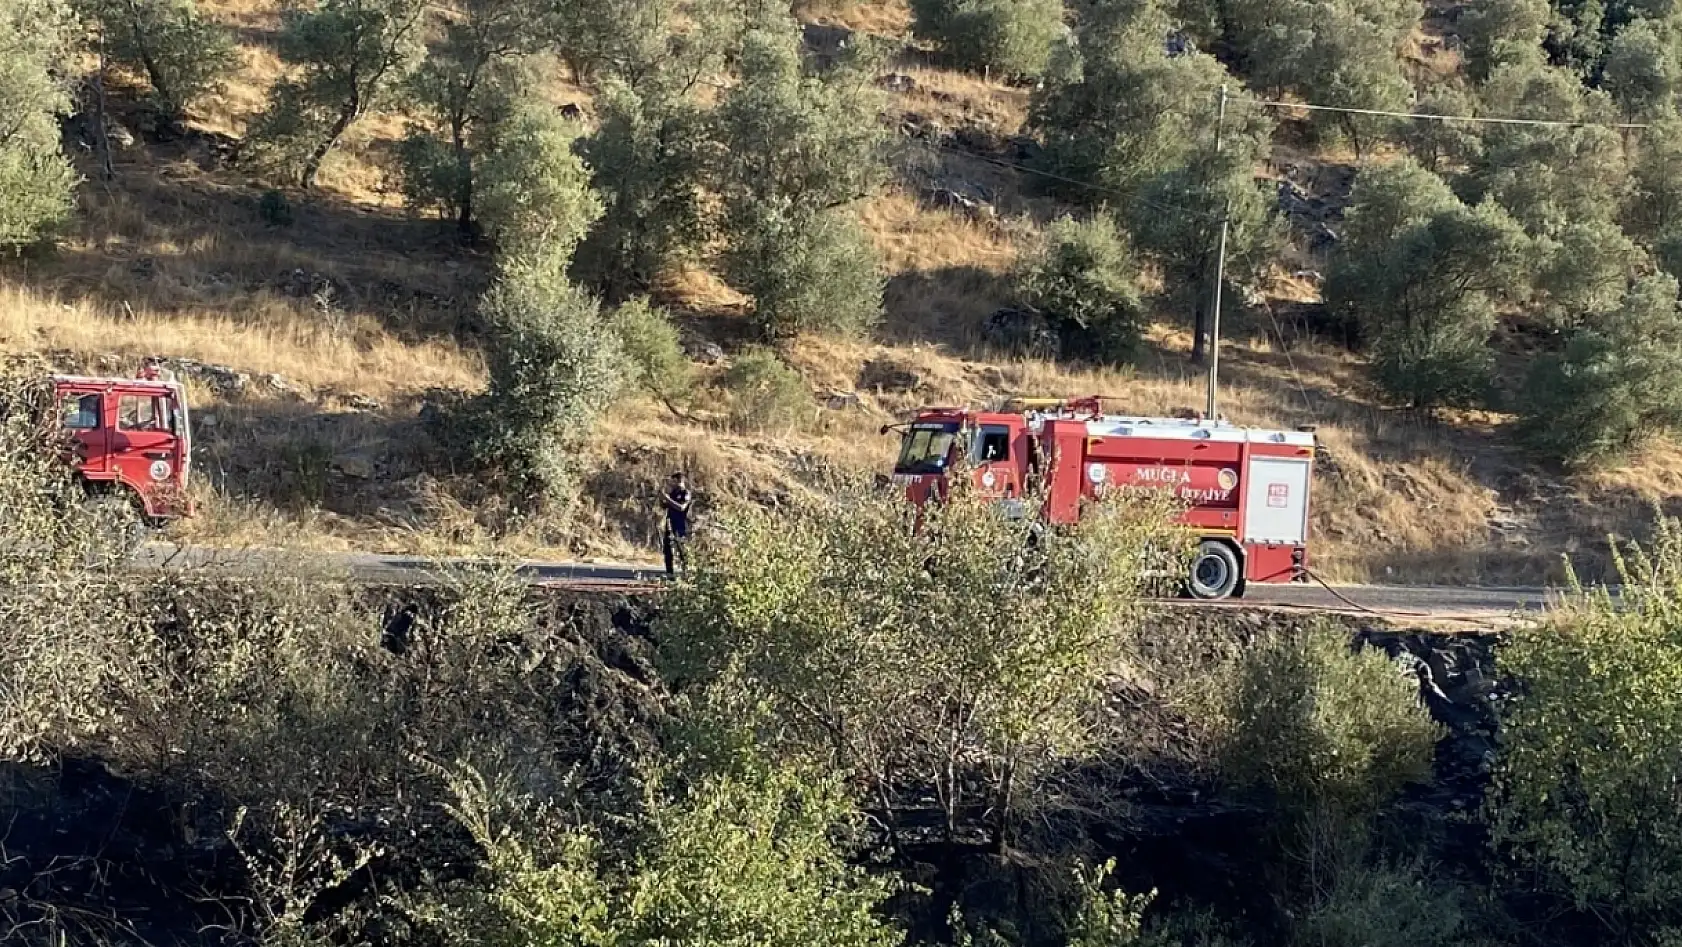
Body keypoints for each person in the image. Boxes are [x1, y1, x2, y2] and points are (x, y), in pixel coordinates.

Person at [662, 471, 692, 578]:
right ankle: (669, 574)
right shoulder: (672, 493)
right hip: (670, 523)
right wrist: (663, 497)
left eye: (674, 481)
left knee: (682, 549)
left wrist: (667, 499)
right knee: (667, 549)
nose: (672, 484)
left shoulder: (686, 493)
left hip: (680, 524)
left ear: (680, 481)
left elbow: (681, 507)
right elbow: (664, 506)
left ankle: (686, 574)